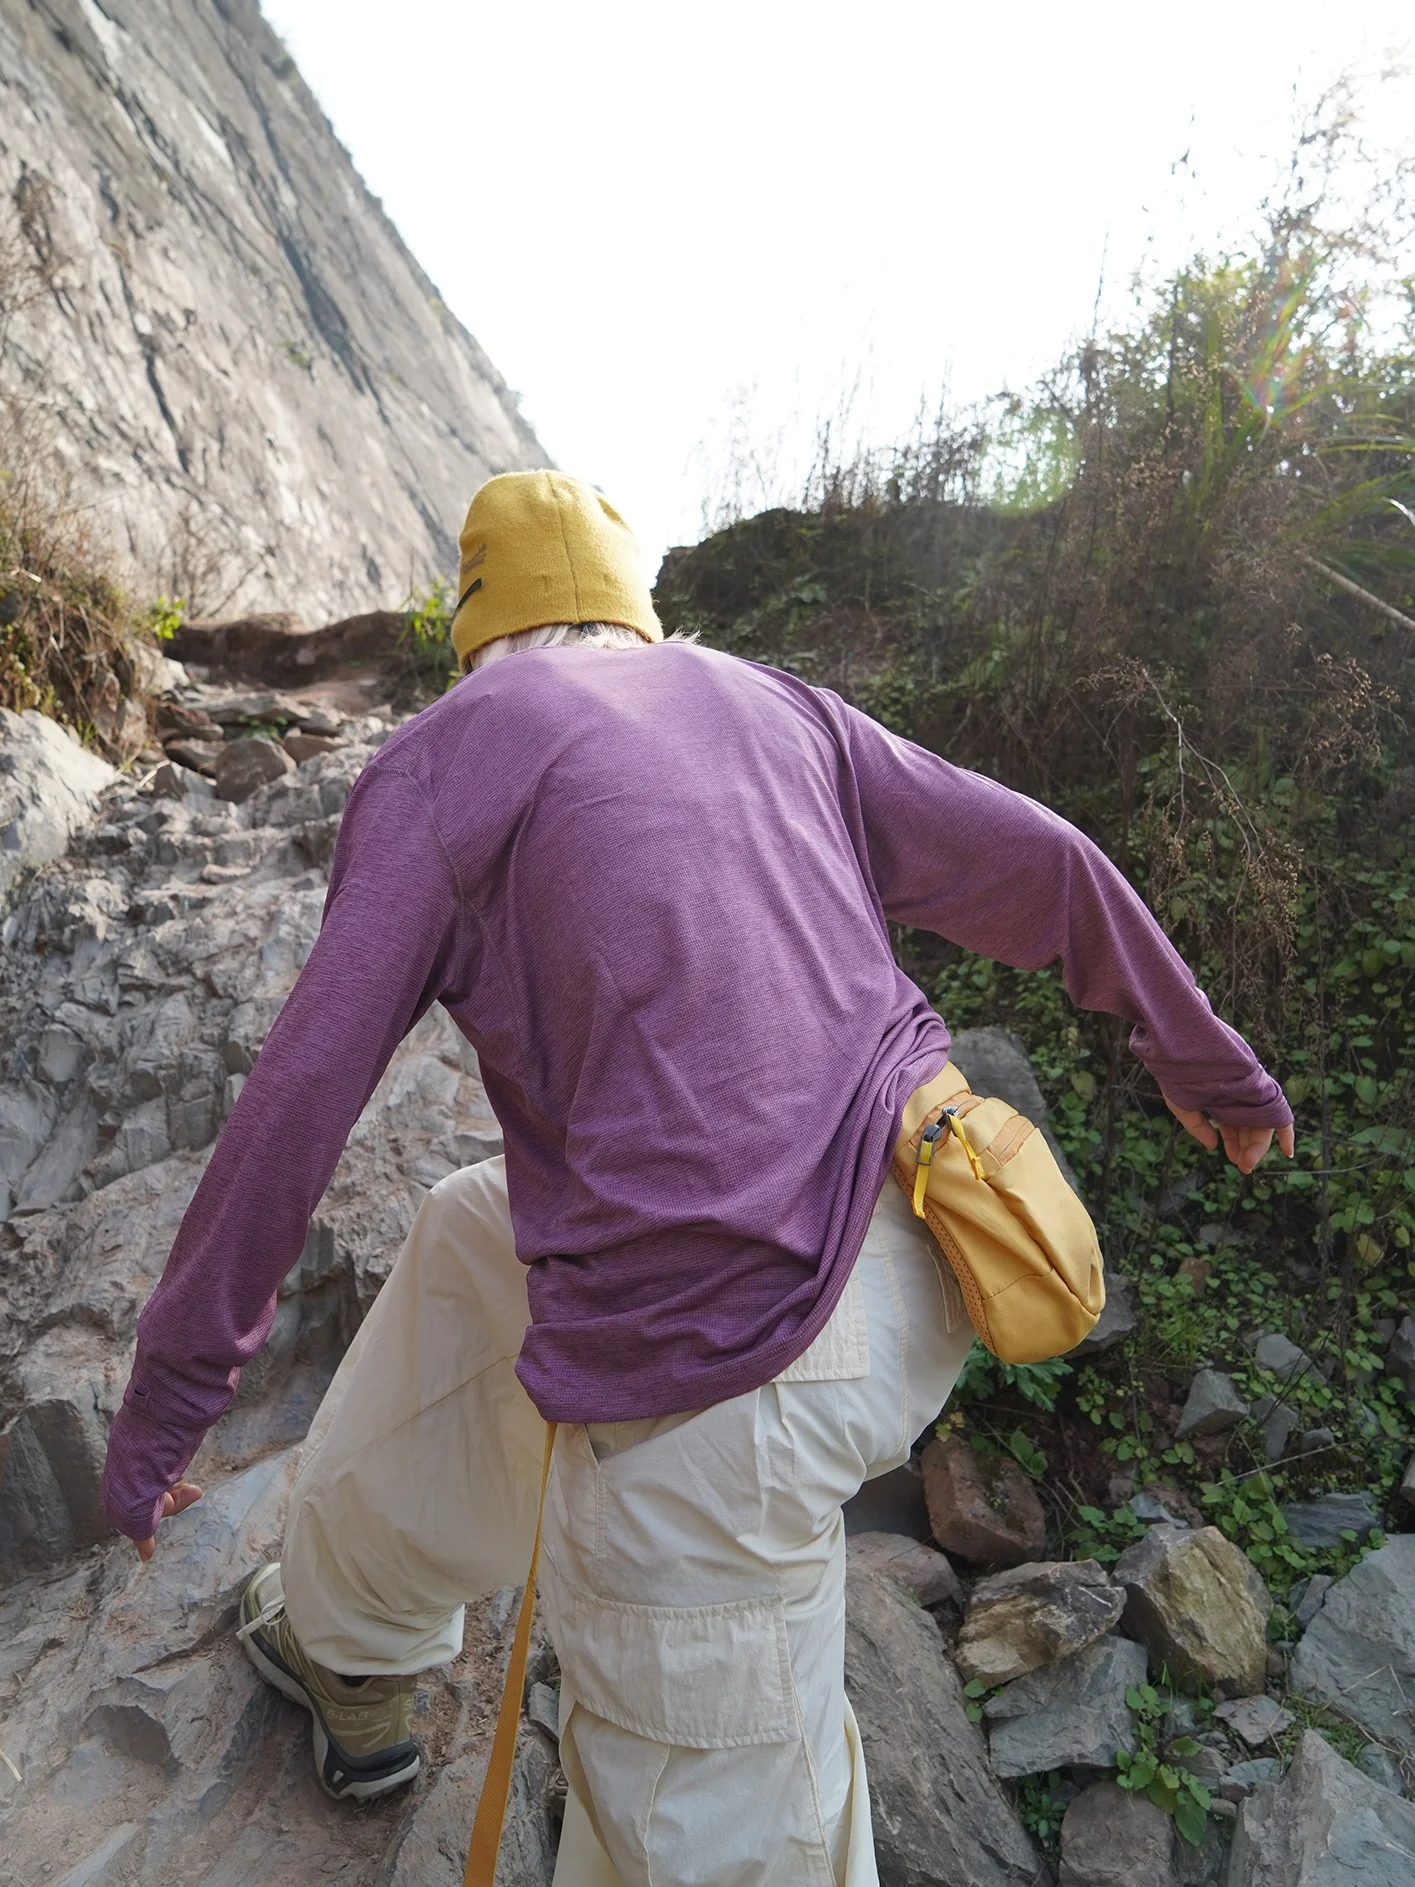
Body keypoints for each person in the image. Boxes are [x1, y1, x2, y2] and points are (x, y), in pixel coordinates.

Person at [101, 469, 1294, 1886]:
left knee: (714, 1843)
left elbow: (300, 1092)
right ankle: (348, 1635)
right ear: (635, 613)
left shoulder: (450, 750)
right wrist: (1209, 1063)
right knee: (470, 1234)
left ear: (475, 629)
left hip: (724, 1376)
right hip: (932, 1250)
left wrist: (169, 1403)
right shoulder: (768, 701)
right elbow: (1042, 855)